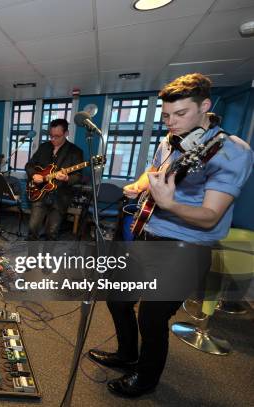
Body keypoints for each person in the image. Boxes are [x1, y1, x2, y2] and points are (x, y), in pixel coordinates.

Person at [87, 73, 253, 397]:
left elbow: (209, 217)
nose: (171, 122)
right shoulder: (169, 139)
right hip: (147, 235)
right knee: (118, 299)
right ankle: (126, 354)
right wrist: (139, 185)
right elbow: (155, 172)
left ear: (205, 106)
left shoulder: (232, 152)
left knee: (151, 317)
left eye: (180, 114)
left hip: (187, 247)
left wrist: (170, 204)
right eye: (166, 115)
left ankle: (146, 379)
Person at [25, 118, 83, 240]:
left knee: (52, 232)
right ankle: (31, 258)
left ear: (66, 133)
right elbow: (29, 165)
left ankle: (46, 258)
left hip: (60, 197)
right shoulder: (44, 147)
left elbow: (78, 176)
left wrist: (67, 178)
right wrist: (34, 175)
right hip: (39, 193)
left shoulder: (75, 152)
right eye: (51, 136)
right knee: (33, 228)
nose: (53, 139)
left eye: (57, 136)